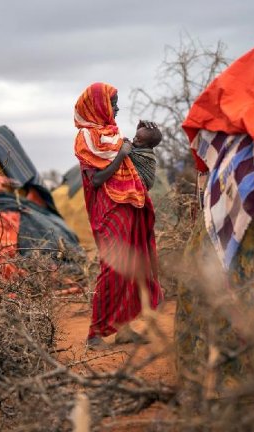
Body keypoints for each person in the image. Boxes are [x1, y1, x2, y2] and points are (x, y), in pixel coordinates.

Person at [74, 82, 163, 350]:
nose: (117, 108)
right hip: (108, 210)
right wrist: (120, 155)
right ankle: (94, 334)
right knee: (112, 269)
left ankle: (124, 328)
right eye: (113, 104)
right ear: (99, 106)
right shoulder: (87, 138)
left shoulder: (113, 135)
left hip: (129, 207)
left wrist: (142, 140)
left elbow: (135, 165)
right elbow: (98, 179)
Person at [129, 126, 162, 191]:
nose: (134, 139)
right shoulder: (138, 148)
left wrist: (125, 142)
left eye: (139, 140)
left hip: (142, 184)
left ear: (147, 145)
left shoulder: (146, 156)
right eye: (136, 136)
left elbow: (127, 152)